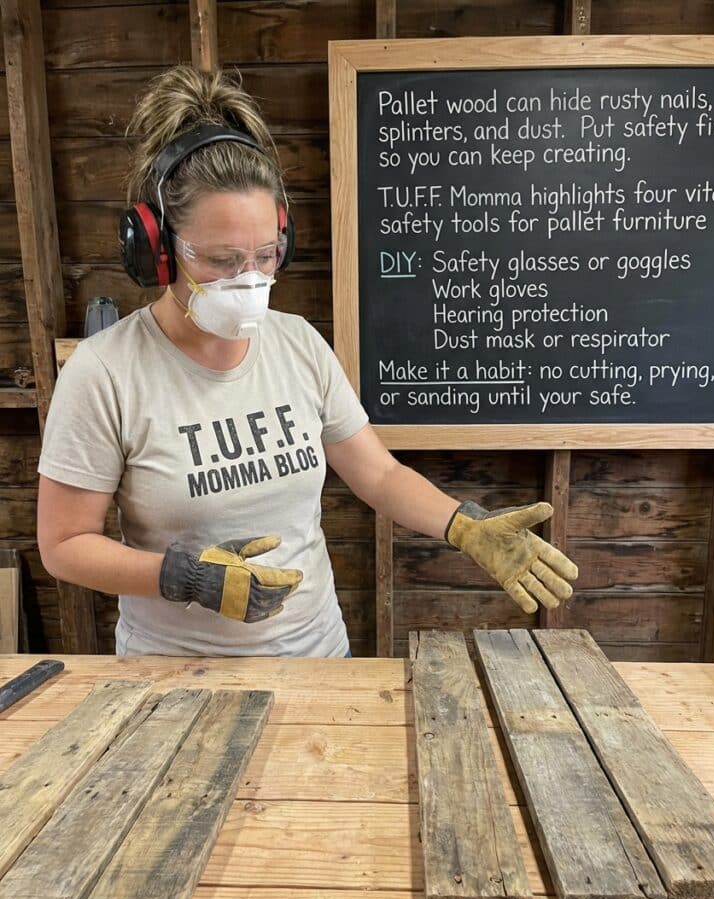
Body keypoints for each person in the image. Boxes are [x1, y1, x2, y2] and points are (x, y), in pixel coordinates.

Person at [36, 65, 578, 658]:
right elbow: (64, 543)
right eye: (220, 259)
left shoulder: (297, 344)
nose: (248, 278)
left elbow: (379, 474)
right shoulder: (106, 373)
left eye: (265, 255)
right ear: (159, 251)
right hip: (177, 678)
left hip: (317, 657)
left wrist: (464, 525)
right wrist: (183, 578)